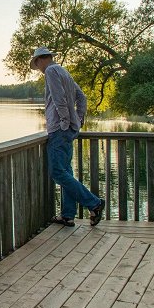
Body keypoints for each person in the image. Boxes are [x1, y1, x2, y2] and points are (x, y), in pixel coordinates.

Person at [30, 46, 105, 227]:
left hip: (59, 129)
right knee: (66, 171)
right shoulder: (64, 72)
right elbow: (82, 97)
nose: (38, 68)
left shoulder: (50, 71)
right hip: (68, 130)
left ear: (40, 60)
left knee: (57, 172)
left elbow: (58, 99)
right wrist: (78, 119)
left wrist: (64, 121)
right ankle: (68, 215)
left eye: (37, 63)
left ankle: (94, 203)